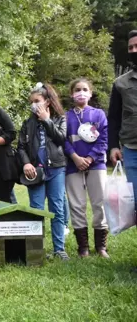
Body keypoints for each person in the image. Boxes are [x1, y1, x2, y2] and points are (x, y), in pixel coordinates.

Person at [18, 83, 69, 261]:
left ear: (47, 102)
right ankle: (36, 248)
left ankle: (59, 249)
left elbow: (61, 138)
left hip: (56, 168)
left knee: (57, 208)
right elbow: (21, 147)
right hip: (35, 173)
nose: (34, 105)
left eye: (37, 101)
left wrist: (47, 120)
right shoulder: (27, 123)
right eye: (31, 102)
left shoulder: (60, 119)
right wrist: (25, 163)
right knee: (36, 209)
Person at [64, 78, 109, 258]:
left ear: (90, 93)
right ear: (71, 93)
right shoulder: (65, 117)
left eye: (84, 89)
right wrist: (75, 158)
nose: (81, 92)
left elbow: (104, 140)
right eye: (77, 89)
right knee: (77, 204)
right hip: (73, 164)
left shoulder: (99, 114)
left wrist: (90, 158)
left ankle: (101, 247)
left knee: (100, 203)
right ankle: (83, 248)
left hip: (96, 164)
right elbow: (63, 141)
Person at [109, 29, 137, 214]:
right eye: (130, 47)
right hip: (131, 149)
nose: (134, 50)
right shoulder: (120, 83)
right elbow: (113, 117)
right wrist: (113, 146)